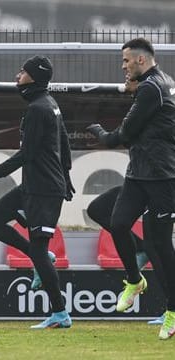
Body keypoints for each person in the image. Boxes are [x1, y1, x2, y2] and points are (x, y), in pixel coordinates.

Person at [0, 55, 74, 329]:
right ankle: (41, 258)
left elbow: (27, 154)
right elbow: (64, 141)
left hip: (45, 190)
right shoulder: (46, 103)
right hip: (33, 187)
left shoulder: (40, 108)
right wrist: (67, 174)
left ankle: (60, 313)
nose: (17, 76)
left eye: (22, 72)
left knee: (38, 248)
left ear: (34, 77)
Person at [87, 38, 175, 340]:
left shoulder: (152, 88)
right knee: (118, 221)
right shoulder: (158, 83)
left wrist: (98, 131)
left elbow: (121, 136)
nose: (123, 67)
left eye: (126, 61)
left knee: (160, 246)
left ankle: (173, 312)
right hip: (139, 174)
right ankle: (135, 280)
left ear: (140, 60)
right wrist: (132, 91)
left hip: (163, 178)